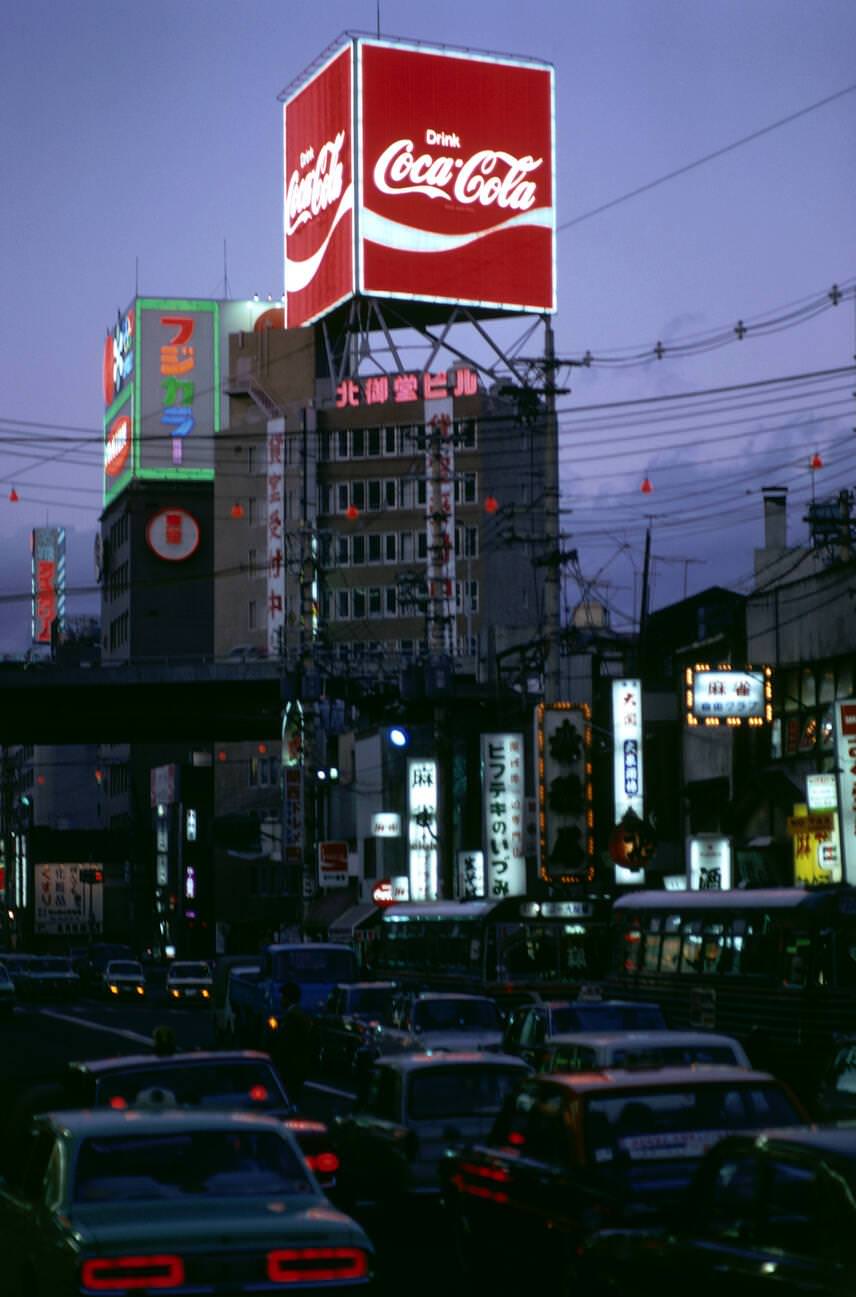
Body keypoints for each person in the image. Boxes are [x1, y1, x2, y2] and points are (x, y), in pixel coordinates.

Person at [270, 981, 314, 1105]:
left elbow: (286, 1044)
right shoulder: (299, 1015)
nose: (281, 1000)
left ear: (288, 998)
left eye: (283, 997)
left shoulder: (293, 1017)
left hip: (291, 1067)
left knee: (289, 1099)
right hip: (297, 1066)